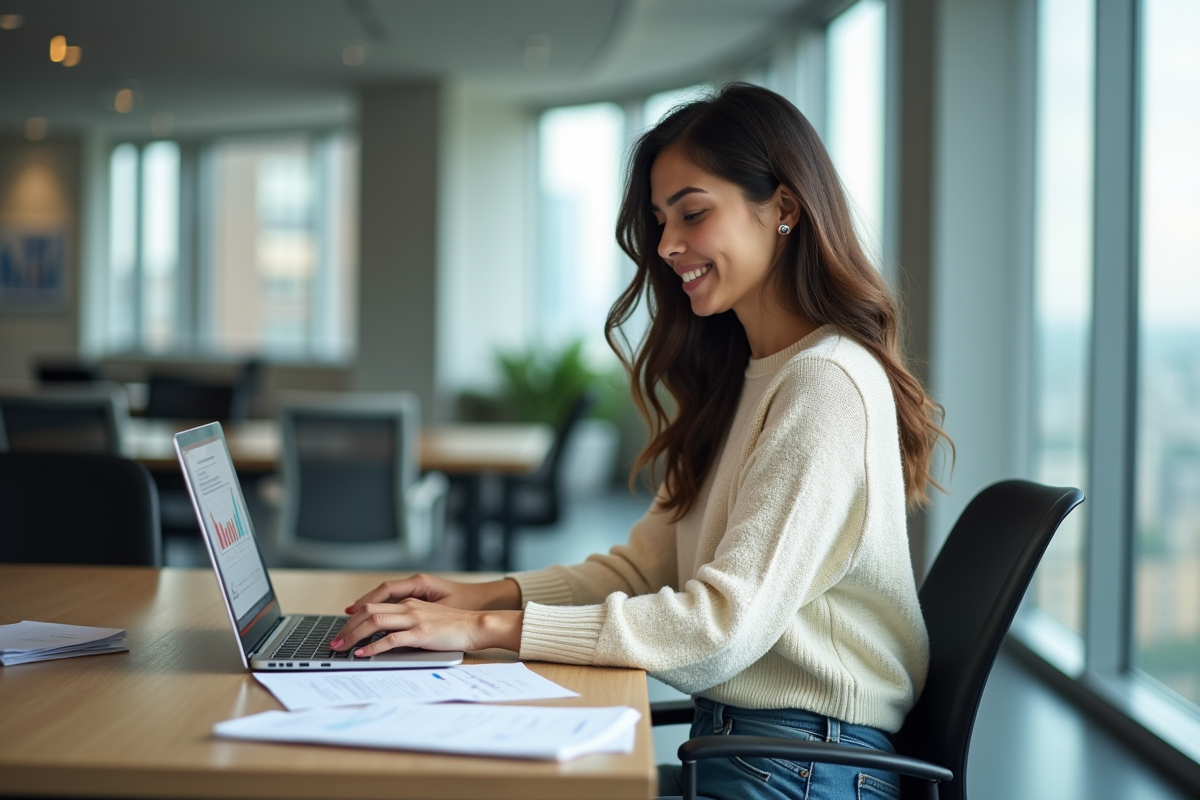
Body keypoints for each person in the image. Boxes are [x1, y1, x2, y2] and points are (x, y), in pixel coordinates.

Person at [330, 83, 949, 800]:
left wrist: (484, 629)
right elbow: (645, 567)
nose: (667, 246)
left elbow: (720, 627)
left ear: (782, 208)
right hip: (755, 744)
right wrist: (474, 596)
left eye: (693, 213)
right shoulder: (748, 375)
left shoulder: (824, 385)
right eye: (660, 221)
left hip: (805, 764)